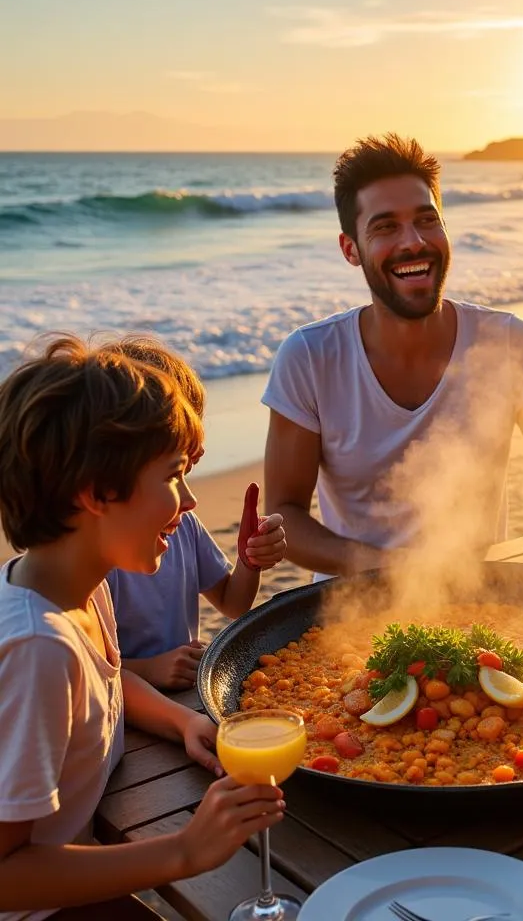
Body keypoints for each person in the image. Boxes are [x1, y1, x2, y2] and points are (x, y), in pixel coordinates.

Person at [0, 336, 285, 920]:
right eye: (173, 476)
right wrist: (183, 852)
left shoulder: (72, 586)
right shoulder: (36, 648)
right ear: (95, 493)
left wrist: (181, 719)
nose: (188, 500)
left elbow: (105, 685)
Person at [263, 134, 523, 579]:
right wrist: (394, 570)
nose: (413, 242)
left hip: (479, 601)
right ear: (350, 248)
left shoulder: (509, 343)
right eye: (385, 226)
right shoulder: (310, 358)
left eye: (426, 220)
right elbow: (284, 515)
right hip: (346, 615)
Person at [103, 337, 287, 690]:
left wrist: (250, 561)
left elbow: (233, 603)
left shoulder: (181, 522)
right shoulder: (103, 552)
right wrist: (148, 670)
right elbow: (85, 667)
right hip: (123, 711)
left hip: (182, 696)